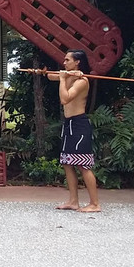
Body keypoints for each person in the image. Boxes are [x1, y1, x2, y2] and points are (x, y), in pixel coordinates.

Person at [48, 50, 100, 213]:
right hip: (69, 124)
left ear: (77, 62)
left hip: (79, 125)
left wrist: (63, 78)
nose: (64, 62)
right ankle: (73, 201)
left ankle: (95, 204)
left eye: (67, 60)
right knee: (67, 163)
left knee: (83, 164)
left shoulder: (81, 81)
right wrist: (57, 74)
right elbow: (51, 76)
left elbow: (65, 99)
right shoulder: (71, 76)